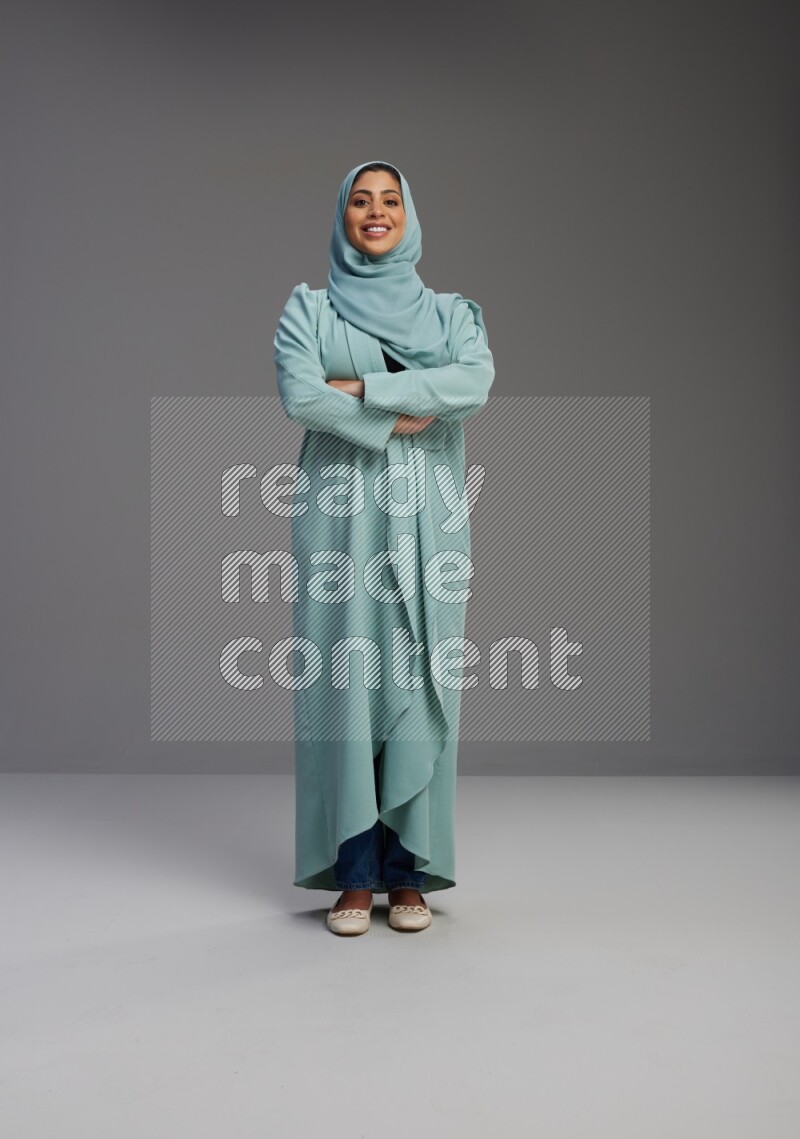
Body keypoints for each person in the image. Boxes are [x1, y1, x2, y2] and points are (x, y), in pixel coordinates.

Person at [273, 160, 494, 935]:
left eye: (389, 201)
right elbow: (301, 395)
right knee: (345, 689)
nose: (375, 212)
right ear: (343, 216)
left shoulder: (451, 313)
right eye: (361, 201)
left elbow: (474, 383)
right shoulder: (309, 309)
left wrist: (363, 391)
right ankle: (353, 877)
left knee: (424, 683)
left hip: (429, 521)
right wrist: (404, 400)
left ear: (408, 215)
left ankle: (411, 874)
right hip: (342, 520)